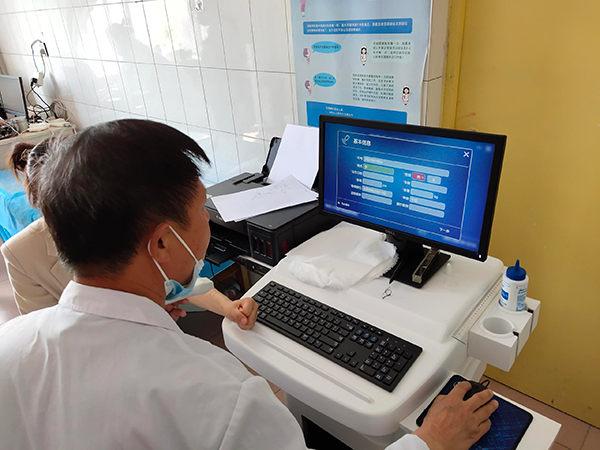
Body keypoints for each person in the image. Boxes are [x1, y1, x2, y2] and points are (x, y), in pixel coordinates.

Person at [0, 120, 497, 449]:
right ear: (162, 244)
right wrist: (429, 442)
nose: (209, 221)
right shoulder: (222, 397)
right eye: (202, 210)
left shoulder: (10, 347)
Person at [1, 139, 258, 327]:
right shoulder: (21, 254)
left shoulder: (120, 218)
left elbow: (179, 280)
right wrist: (136, 317)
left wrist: (227, 306)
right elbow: (47, 330)